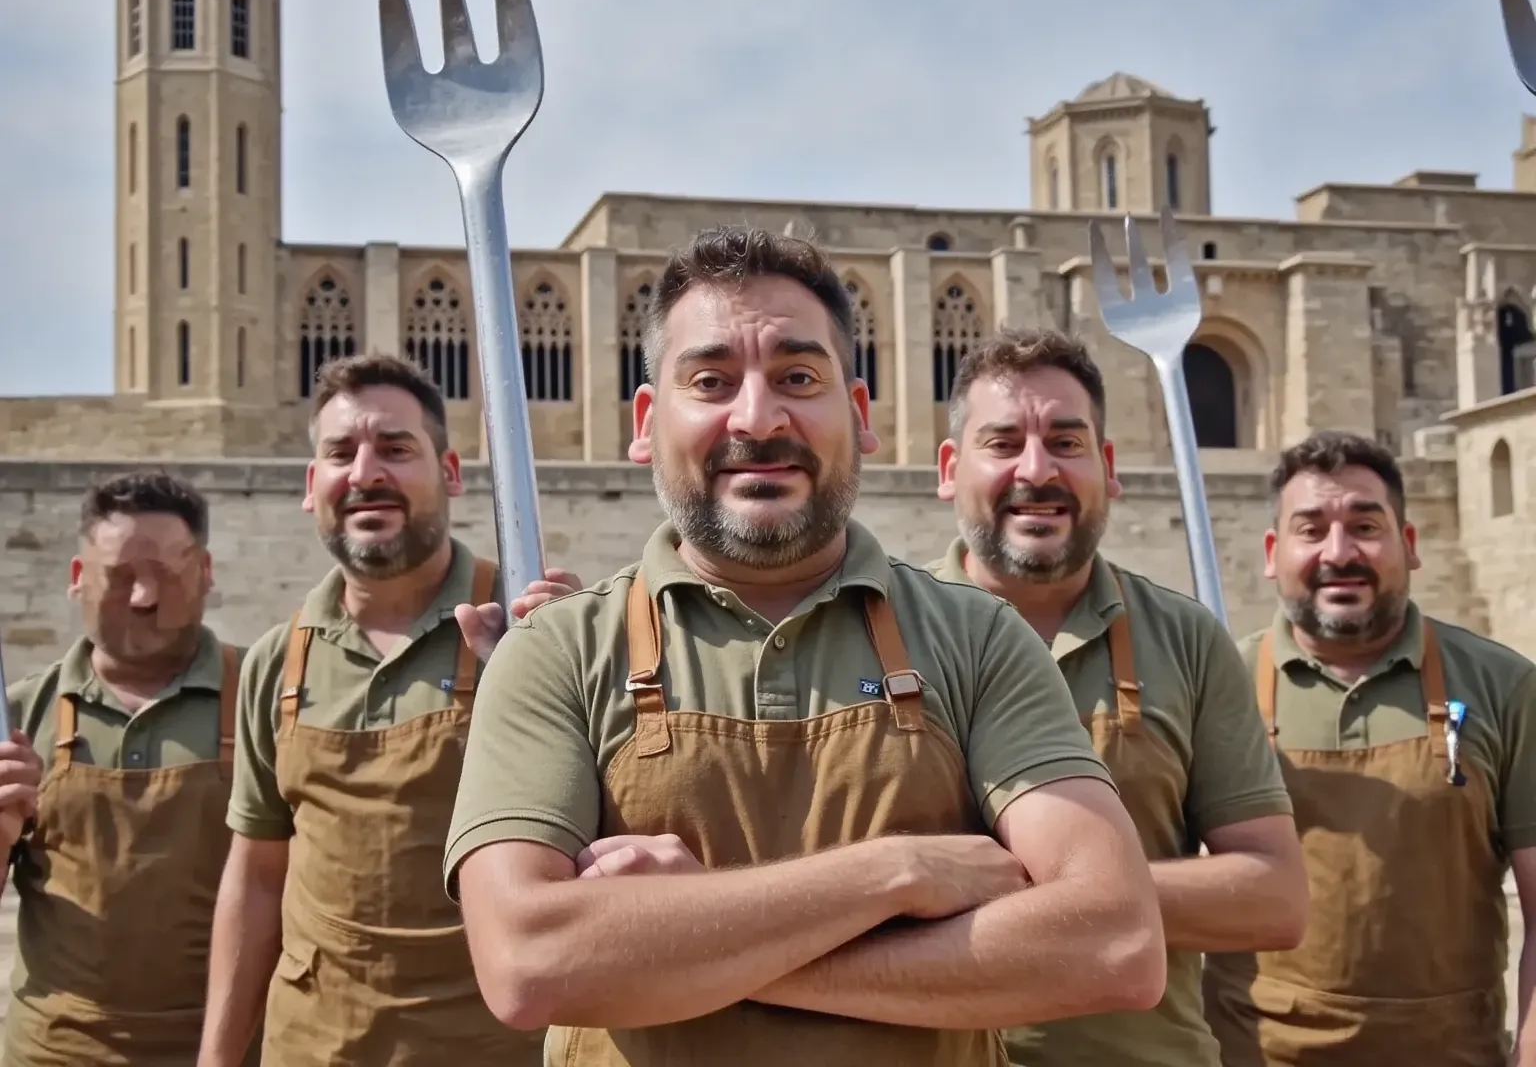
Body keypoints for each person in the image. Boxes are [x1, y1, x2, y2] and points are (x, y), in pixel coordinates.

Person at [443, 225, 1168, 1067]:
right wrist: (898, 875)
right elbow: (530, 965)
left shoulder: (979, 639)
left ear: (858, 416)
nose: (758, 417)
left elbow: (1114, 942)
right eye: (711, 381)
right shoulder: (558, 651)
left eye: (798, 377)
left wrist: (691, 934)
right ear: (647, 422)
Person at [926, 327, 1308, 1067]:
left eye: (1066, 443)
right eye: (1003, 444)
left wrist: (1050, 896)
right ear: (949, 469)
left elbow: (1275, 896)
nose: (1036, 470)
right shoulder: (882, 634)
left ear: (1109, 468)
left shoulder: (1185, 640)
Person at [195, 353, 580, 1067]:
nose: (366, 473)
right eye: (341, 453)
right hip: (316, 1048)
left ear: (452, 473)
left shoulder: (536, 630)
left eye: (396, 450)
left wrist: (570, 671)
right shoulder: (277, 664)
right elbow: (257, 877)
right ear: (313, 487)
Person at [1202, 430, 1536, 1067]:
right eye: (1311, 529)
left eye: (1364, 525)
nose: (1338, 552)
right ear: (1273, 553)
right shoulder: (1217, 688)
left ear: (1409, 547)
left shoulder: (1503, 686)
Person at [3, 471, 258, 1067]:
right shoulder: (18, 717)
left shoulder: (265, 700)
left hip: (234, 1048)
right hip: (56, 1051)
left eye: (167, 574)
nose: (144, 597)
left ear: (206, 574)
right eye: (120, 577)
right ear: (76, 579)